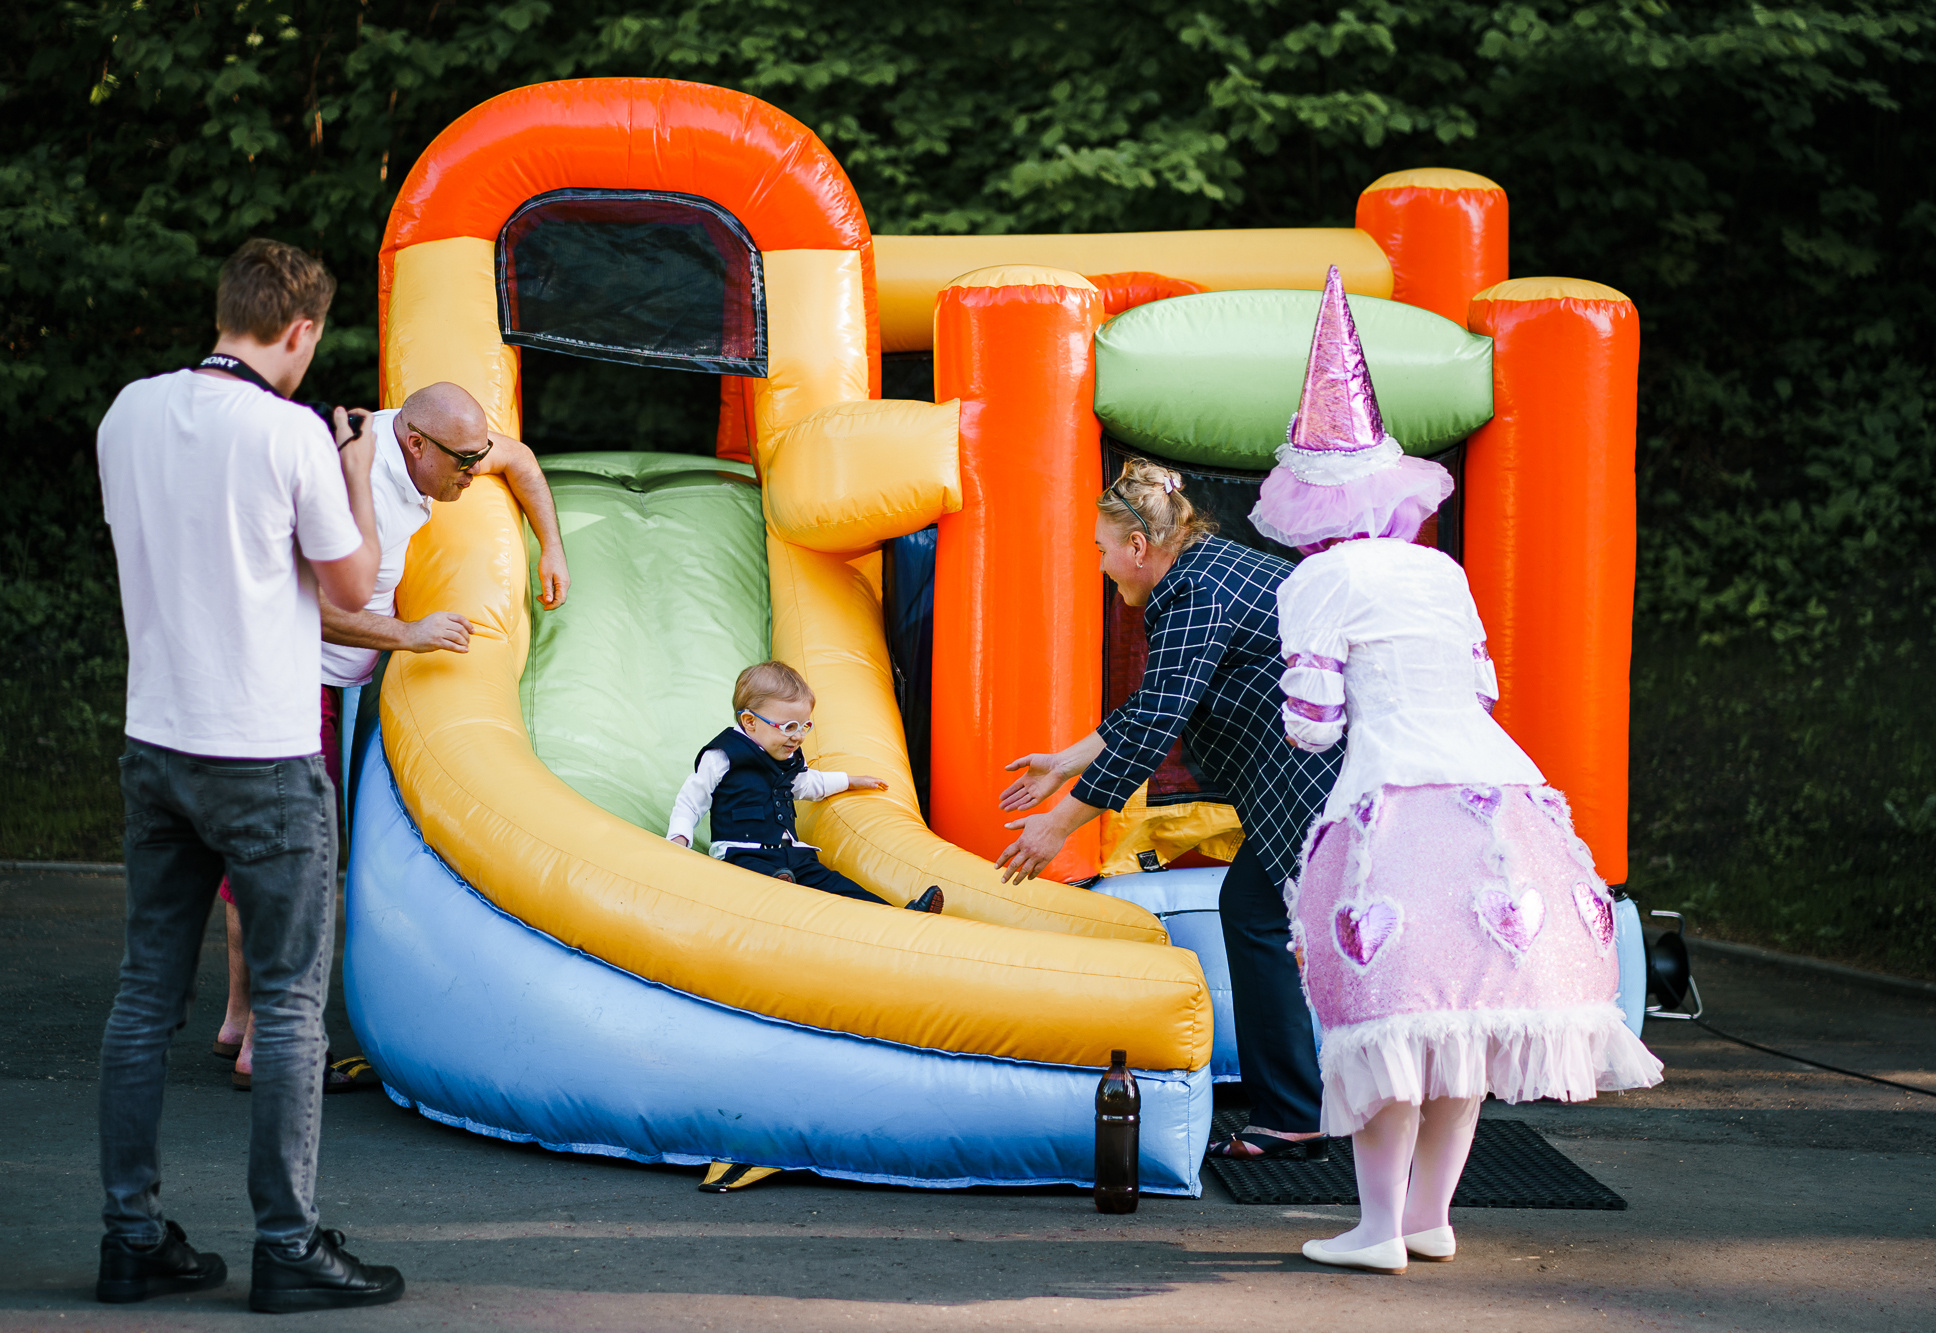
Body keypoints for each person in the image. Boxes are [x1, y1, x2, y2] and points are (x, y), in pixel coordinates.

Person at [1252, 266, 1663, 1275]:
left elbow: (1311, 725)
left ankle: (1374, 1228)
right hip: (1499, 801)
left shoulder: (1316, 579)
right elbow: (1478, 689)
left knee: (1384, 1016)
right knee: (1460, 1020)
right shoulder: (1442, 572)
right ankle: (1429, 1217)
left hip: (1392, 803)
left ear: (1305, 497)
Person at [95, 237, 404, 1311]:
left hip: (156, 740)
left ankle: (131, 1237)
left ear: (226, 308)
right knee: (289, 1004)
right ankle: (287, 1244)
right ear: (301, 331)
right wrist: (355, 470)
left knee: (145, 995)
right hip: (265, 755)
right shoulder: (290, 432)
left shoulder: (128, 412)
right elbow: (352, 585)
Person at [214, 379, 572, 1089]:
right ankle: (266, 1047)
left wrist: (550, 547)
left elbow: (521, 459)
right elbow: (303, 604)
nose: (475, 472)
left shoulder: (434, 445)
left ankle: (236, 1020)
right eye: (464, 463)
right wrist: (410, 633)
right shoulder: (353, 491)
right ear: (415, 444)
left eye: (476, 456)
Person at [995, 460, 1342, 1156]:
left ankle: (1296, 1114)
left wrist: (1058, 826)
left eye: (1101, 549)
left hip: (1321, 766)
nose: (1100, 565)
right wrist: (1065, 762)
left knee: (1259, 912)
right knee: (1261, 910)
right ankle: (1303, 1108)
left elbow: (1158, 718)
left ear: (1137, 546)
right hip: (1318, 764)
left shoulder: (1195, 590)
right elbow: (1159, 698)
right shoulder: (1202, 569)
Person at [669, 661, 944, 913]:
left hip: (791, 854)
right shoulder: (722, 756)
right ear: (750, 722)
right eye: (789, 727)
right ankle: (778, 887)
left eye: (804, 726)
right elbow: (692, 800)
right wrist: (679, 840)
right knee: (759, 874)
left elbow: (808, 783)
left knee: (833, 883)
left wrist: (849, 781)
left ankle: (901, 915)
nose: (799, 736)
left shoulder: (785, 757)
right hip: (741, 853)